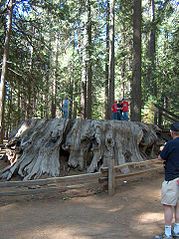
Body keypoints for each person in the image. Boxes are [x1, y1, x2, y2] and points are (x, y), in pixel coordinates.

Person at [154, 122, 179, 239]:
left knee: (168, 205)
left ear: (172, 132)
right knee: (178, 206)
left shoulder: (170, 144)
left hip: (172, 178)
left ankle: (168, 233)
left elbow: (161, 157)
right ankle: (177, 230)